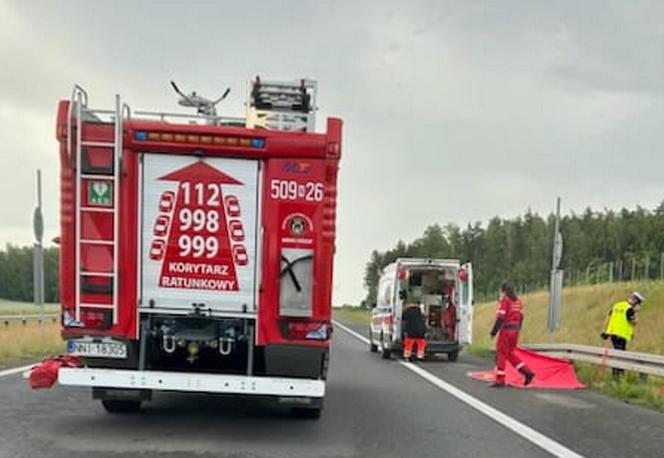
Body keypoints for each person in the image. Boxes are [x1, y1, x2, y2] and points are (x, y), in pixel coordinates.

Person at [489, 282, 535, 388]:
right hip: (515, 330)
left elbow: (500, 317)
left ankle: (500, 380)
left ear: (503, 291)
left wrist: (493, 332)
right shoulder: (518, 302)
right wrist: (518, 329)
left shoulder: (506, 301)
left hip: (506, 330)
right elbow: (521, 317)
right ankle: (527, 372)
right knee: (510, 354)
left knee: (501, 353)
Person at [601, 291, 645, 377]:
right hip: (621, 335)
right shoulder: (629, 309)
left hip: (613, 334)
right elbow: (633, 322)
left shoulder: (618, 305)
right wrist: (636, 312)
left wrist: (605, 330)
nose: (638, 305)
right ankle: (618, 375)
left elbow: (609, 317)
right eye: (638, 303)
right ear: (636, 301)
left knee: (618, 354)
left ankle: (616, 374)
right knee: (621, 356)